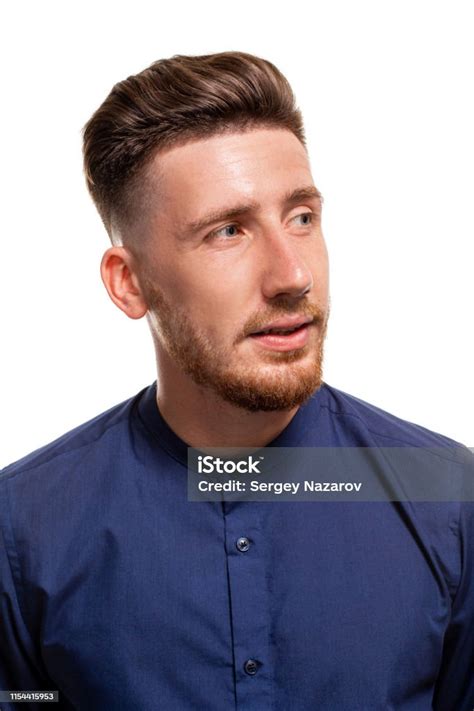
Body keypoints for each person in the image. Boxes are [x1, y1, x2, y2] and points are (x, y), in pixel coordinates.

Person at [0, 51, 472, 711]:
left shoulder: (451, 502)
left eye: (301, 217)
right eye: (228, 231)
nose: (293, 276)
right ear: (128, 282)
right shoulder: (22, 528)